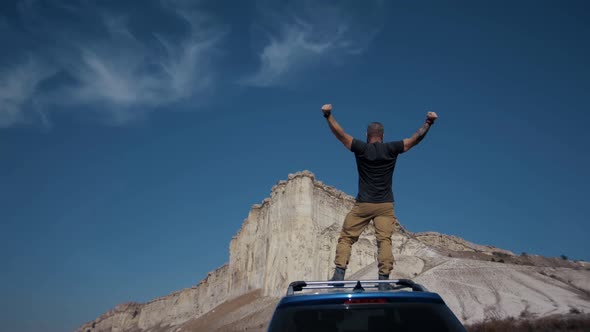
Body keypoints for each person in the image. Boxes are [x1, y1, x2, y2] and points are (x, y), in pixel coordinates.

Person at [321, 104, 438, 289]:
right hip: (385, 204)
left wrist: (328, 116)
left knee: (346, 238)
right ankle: (383, 281)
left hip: (363, 204)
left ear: (368, 136)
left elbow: (340, 134)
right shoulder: (391, 149)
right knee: (384, 240)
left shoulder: (361, 148)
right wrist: (429, 122)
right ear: (382, 136)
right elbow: (415, 139)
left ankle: (338, 276)